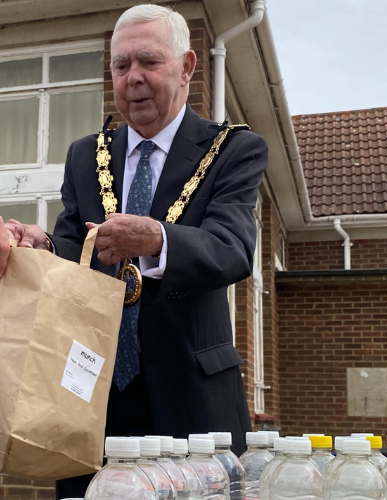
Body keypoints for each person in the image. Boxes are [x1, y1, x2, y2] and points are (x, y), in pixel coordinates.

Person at [0, 4, 267, 497]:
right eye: (121, 66)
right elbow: (73, 249)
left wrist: (157, 239)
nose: (133, 78)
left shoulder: (233, 149)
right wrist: (39, 244)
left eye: (149, 62)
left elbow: (231, 250)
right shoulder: (86, 153)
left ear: (187, 67)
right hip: (89, 397)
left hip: (192, 400)